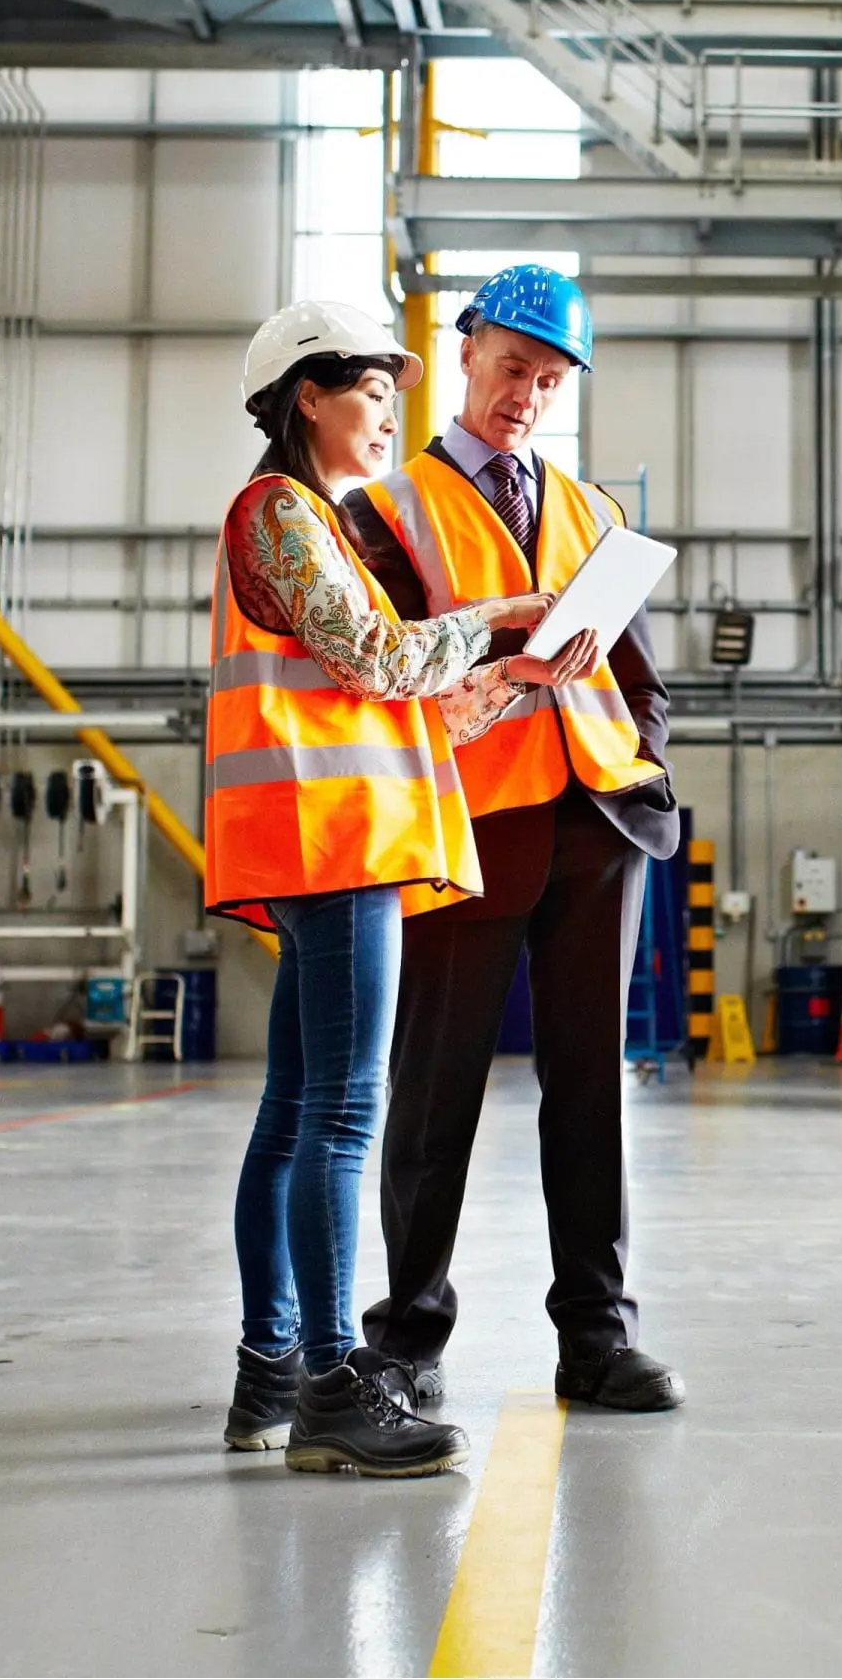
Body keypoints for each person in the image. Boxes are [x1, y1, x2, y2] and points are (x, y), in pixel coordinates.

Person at [205, 299, 600, 1477]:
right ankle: (330, 1381)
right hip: (333, 846)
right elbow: (381, 661)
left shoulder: (310, 525)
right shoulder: (280, 514)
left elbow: (402, 708)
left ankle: (271, 1370)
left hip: (336, 838)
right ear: (306, 398)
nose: (389, 414)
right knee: (337, 1117)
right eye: (372, 393)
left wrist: (522, 674)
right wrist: (499, 615)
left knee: (292, 1119)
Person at [350, 264, 687, 1414]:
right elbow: (378, 676)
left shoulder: (593, 512)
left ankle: (597, 1337)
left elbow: (642, 674)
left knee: (591, 1088)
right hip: (466, 824)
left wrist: (646, 761)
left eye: (550, 380)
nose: (528, 397)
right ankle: (405, 1340)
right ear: (466, 354)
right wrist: (500, 669)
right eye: (512, 370)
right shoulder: (388, 511)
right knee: (435, 1087)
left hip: (597, 819)